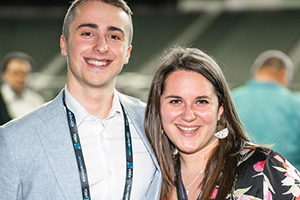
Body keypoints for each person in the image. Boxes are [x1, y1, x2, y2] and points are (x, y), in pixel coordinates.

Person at [0, 0, 161, 199]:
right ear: (64, 44)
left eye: (114, 36)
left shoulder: (156, 126)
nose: (101, 46)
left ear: (127, 53)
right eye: (87, 33)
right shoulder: (14, 140)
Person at [144, 46, 300, 200]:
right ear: (158, 108)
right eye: (176, 101)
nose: (188, 115)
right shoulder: (150, 178)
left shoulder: (265, 169)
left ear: (220, 110)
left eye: (201, 101)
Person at [231, 50, 300, 170]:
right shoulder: (295, 103)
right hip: (286, 182)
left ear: (257, 72)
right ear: (282, 74)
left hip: (237, 180)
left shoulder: (231, 99)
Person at [0, 51, 45, 125]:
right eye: (15, 73)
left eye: (25, 73)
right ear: (4, 75)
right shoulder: (2, 99)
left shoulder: (37, 100)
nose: (20, 77)